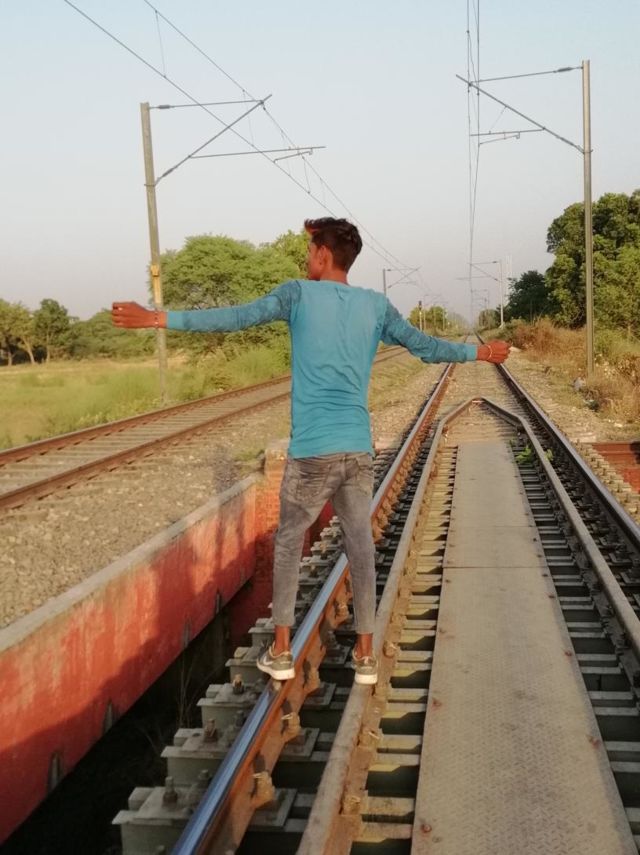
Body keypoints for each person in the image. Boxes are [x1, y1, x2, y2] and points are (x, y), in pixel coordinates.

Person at [112, 217, 510, 685]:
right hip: (356, 450)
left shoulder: (297, 295)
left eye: (310, 251)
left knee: (288, 542)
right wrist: (480, 354)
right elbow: (425, 347)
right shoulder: (375, 305)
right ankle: (366, 654)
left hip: (311, 454)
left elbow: (236, 317)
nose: (306, 259)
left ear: (323, 254)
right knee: (360, 546)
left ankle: (281, 650)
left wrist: (156, 318)